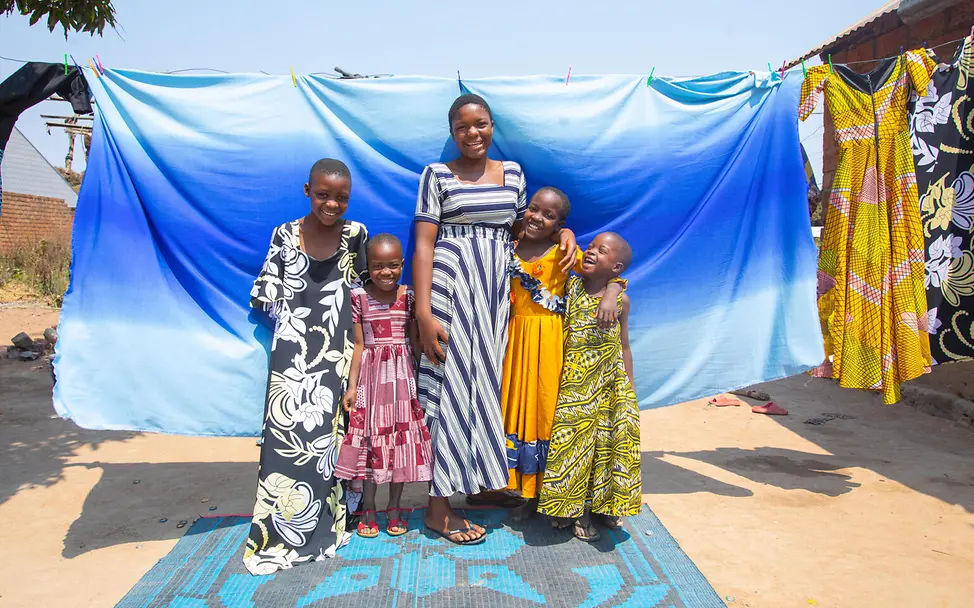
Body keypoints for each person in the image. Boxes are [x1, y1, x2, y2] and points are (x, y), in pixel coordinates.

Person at [412, 94, 578, 545]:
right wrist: (424, 313)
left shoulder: (514, 174)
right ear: (452, 132)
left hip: (494, 297)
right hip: (451, 290)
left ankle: (483, 479)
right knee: (448, 390)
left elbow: (525, 229)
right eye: (463, 127)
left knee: (485, 387)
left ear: (492, 126)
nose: (473, 133)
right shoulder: (437, 175)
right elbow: (424, 244)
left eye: (481, 124)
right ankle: (438, 507)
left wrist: (564, 230)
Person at [244, 158, 369, 576]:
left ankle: (325, 523)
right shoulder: (285, 234)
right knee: (284, 440)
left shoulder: (356, 236)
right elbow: (264, 293)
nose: (332, 204)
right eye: (323, 194)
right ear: (307, 191)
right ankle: (277, 531)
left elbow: (366, 298)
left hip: (338, 352)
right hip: (292, 354)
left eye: (341, 197)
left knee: (328, 440)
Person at [501, 187, 623, 520]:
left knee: (545, 413)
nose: (537, 217)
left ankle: (548, 495)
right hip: (514, 343)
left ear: (560, 224)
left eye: (549, 215)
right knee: (515, 411)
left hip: (551, 343)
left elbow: (607, 275)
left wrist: (613, 290)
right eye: (534, 209)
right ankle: (523, 492)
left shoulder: (565, 252)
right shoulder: (507, 246)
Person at [538, 232, 641, 542]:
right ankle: (571, 510)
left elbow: (624, 345)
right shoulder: (571, 287)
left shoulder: (621, 300)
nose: (592, 252)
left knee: (610, 448)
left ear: (617, 267)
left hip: (610, 384)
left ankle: (603, 507)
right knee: (573, 449)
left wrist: (631, 389)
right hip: (574, 386)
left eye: (602, 250)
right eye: (592, 246)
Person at [334, 233, 432, 539]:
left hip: (402, 381)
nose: (385, 272)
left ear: (402, 264)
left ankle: (394, 506)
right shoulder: (359, 297)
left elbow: (415, 343)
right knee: (372, 443)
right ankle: (370, 508)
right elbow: (360, 346)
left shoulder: (409, 296)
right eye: (377, 266)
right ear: (368, 265)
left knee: (398, 446)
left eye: (392, 265)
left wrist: (422, 382)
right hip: (371, 383)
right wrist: (352, 387)